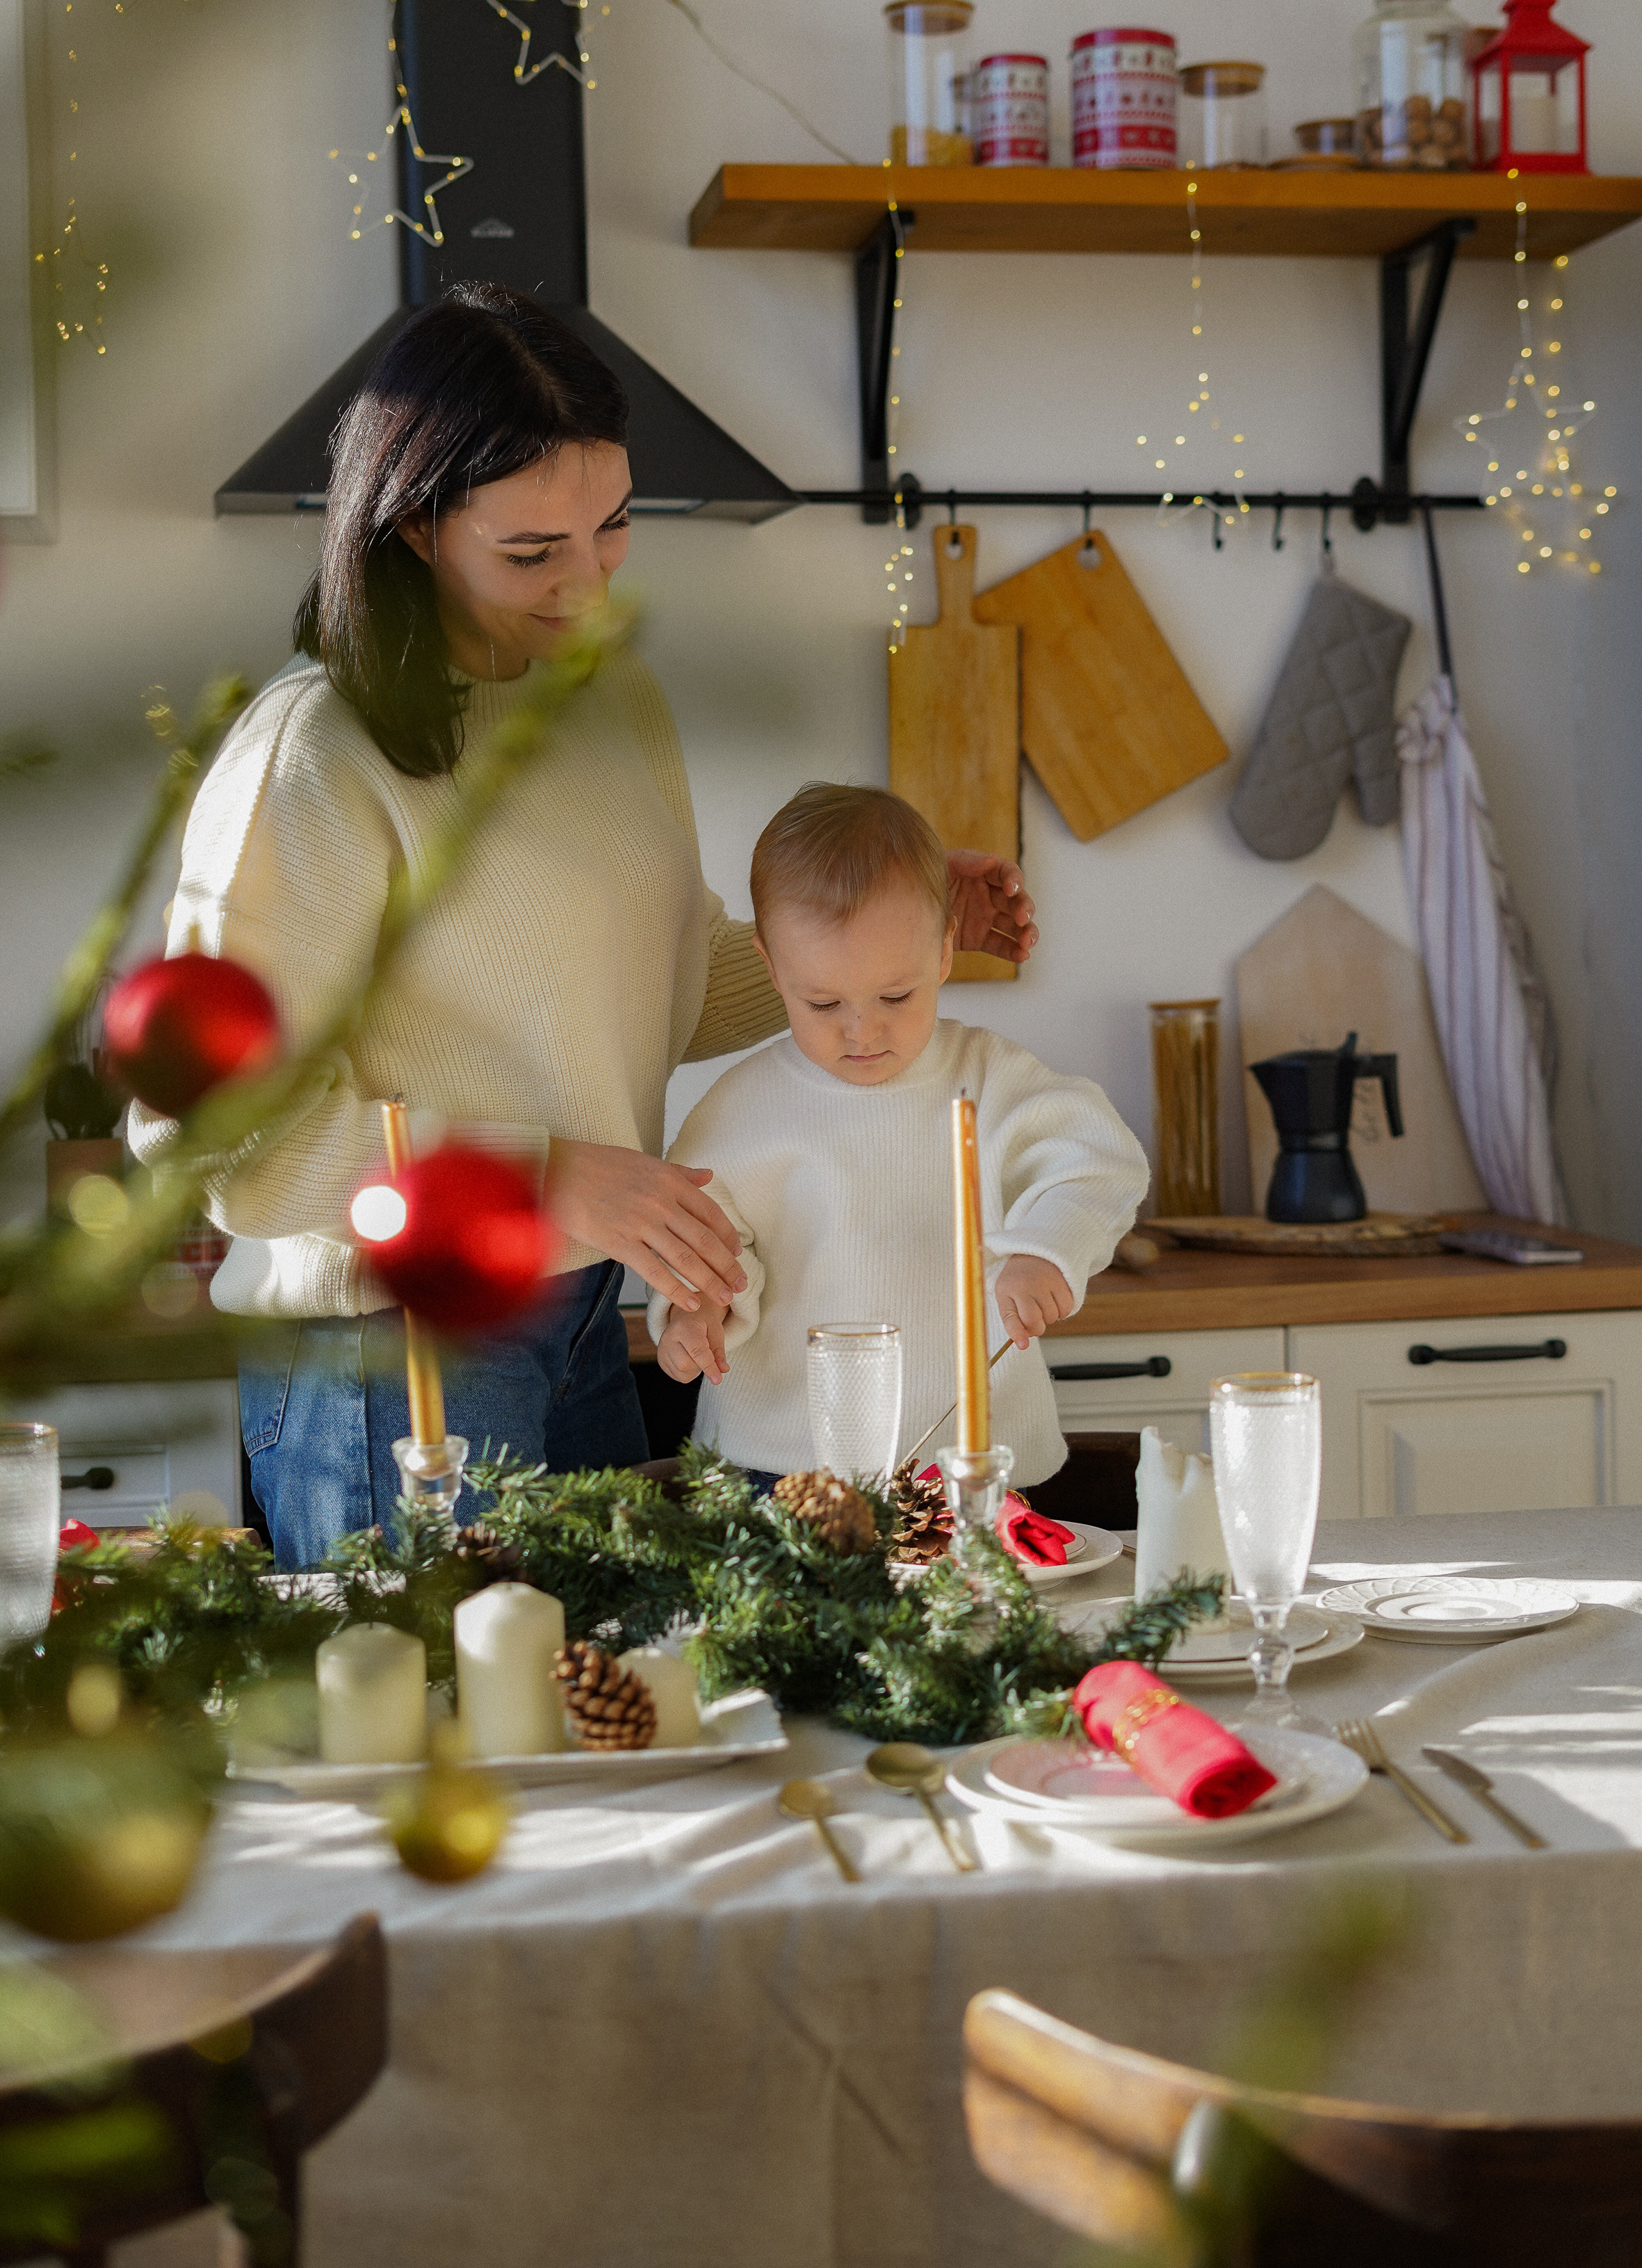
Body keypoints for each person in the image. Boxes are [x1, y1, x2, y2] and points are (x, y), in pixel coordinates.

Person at [127, 286, 1039, 1567]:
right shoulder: (318, 747)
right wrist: (549, 1173)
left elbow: (661, 979)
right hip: (392, 1353)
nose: (586, 580)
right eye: (530, 550)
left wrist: (885, 928)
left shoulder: (609, 699)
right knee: (448, 1748)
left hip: (580, 1313)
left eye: (610, 527)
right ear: (412, 529)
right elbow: (216, 1134)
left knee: (613, 1724)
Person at [649, 783, 1148, 1487]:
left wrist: (1048, 1252)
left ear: (944, 952)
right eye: (822, 1002)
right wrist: (694, 1309)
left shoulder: (993, 1077)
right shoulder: (737, 1111)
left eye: (895, 996)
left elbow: (1097, 1165)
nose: (862, 1030)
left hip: (976, 1462)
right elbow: (701, 1237)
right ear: (771, 968)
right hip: (777, 1463)